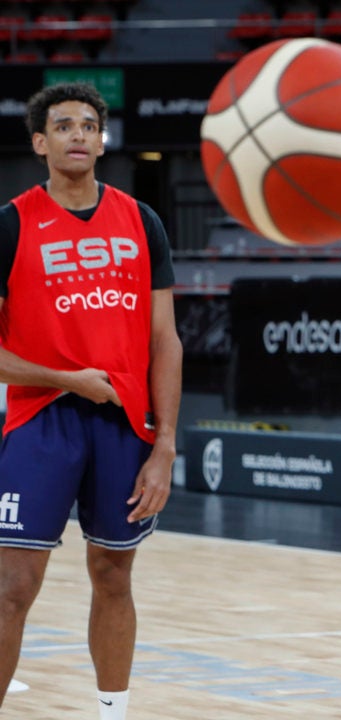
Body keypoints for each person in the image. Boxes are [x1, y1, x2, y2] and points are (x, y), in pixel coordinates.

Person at [0, 82, 183, 718]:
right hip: (39, 422)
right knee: (13, 586)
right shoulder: (11, 223)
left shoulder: (141, 220)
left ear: (102, 140)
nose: (78, 134)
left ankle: (113, 713)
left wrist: (165, 447)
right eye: (63, 125)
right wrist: (68, 378)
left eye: (88, 125)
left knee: (113, 573)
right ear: (39, 142)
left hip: (124, 424)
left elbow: (166, 340)